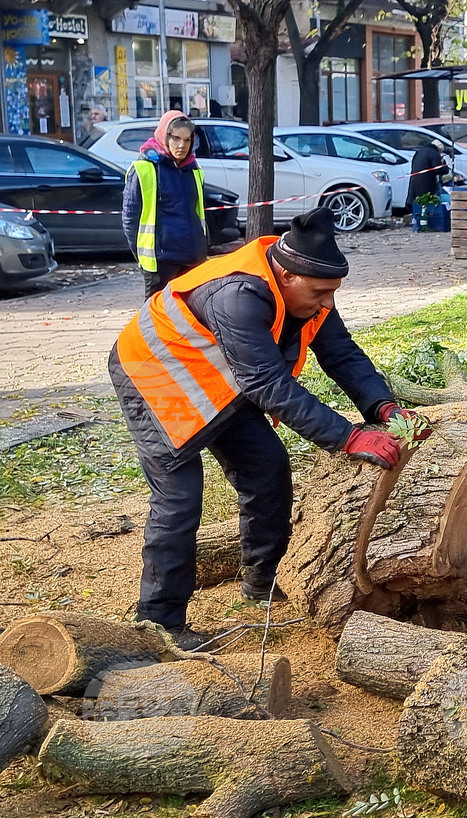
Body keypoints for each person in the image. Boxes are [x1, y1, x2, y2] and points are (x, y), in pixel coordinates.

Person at [109, 207, 427, 649]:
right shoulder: (238, 294)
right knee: (179, 498)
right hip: (155, 374)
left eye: (333, 292)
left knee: (267, 467)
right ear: (285, 275)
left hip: (219, 377)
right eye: (320, 292)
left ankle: (261, 581)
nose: (328, 303)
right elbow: (264, 382)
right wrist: (348, 437)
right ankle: (160, 624)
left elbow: (341, 354)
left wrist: (383, 408)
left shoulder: (310, 288)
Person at [122, 111, 208, 300]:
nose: (181, 145)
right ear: (164, 136)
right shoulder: (144, 169)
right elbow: (130, 218)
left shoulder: (194, 170)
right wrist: (142, 257)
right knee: (156, 317)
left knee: (191, 316)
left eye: (187, 140)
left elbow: (198, 214)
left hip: (193, 257)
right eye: (176, 138)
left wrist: (202, 248)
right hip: (161, 260)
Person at [406, 139, 451, 208]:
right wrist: (444, 166)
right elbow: (438, 169)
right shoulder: (434, 153)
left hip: (415, 181)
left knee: (417, 203)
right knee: (428, 203)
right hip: (427, 183)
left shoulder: (419, 151)